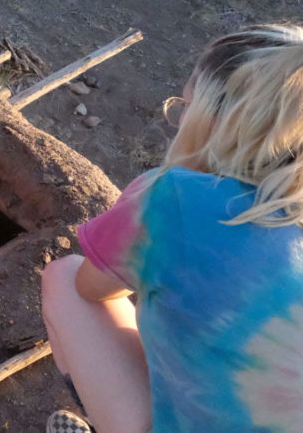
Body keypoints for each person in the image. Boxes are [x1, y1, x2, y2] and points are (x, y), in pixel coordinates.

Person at [41, 25, 303, 433]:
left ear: (213, 119)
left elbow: (90, 287)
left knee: (63, 277)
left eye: (185, 106)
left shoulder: (177, 198)